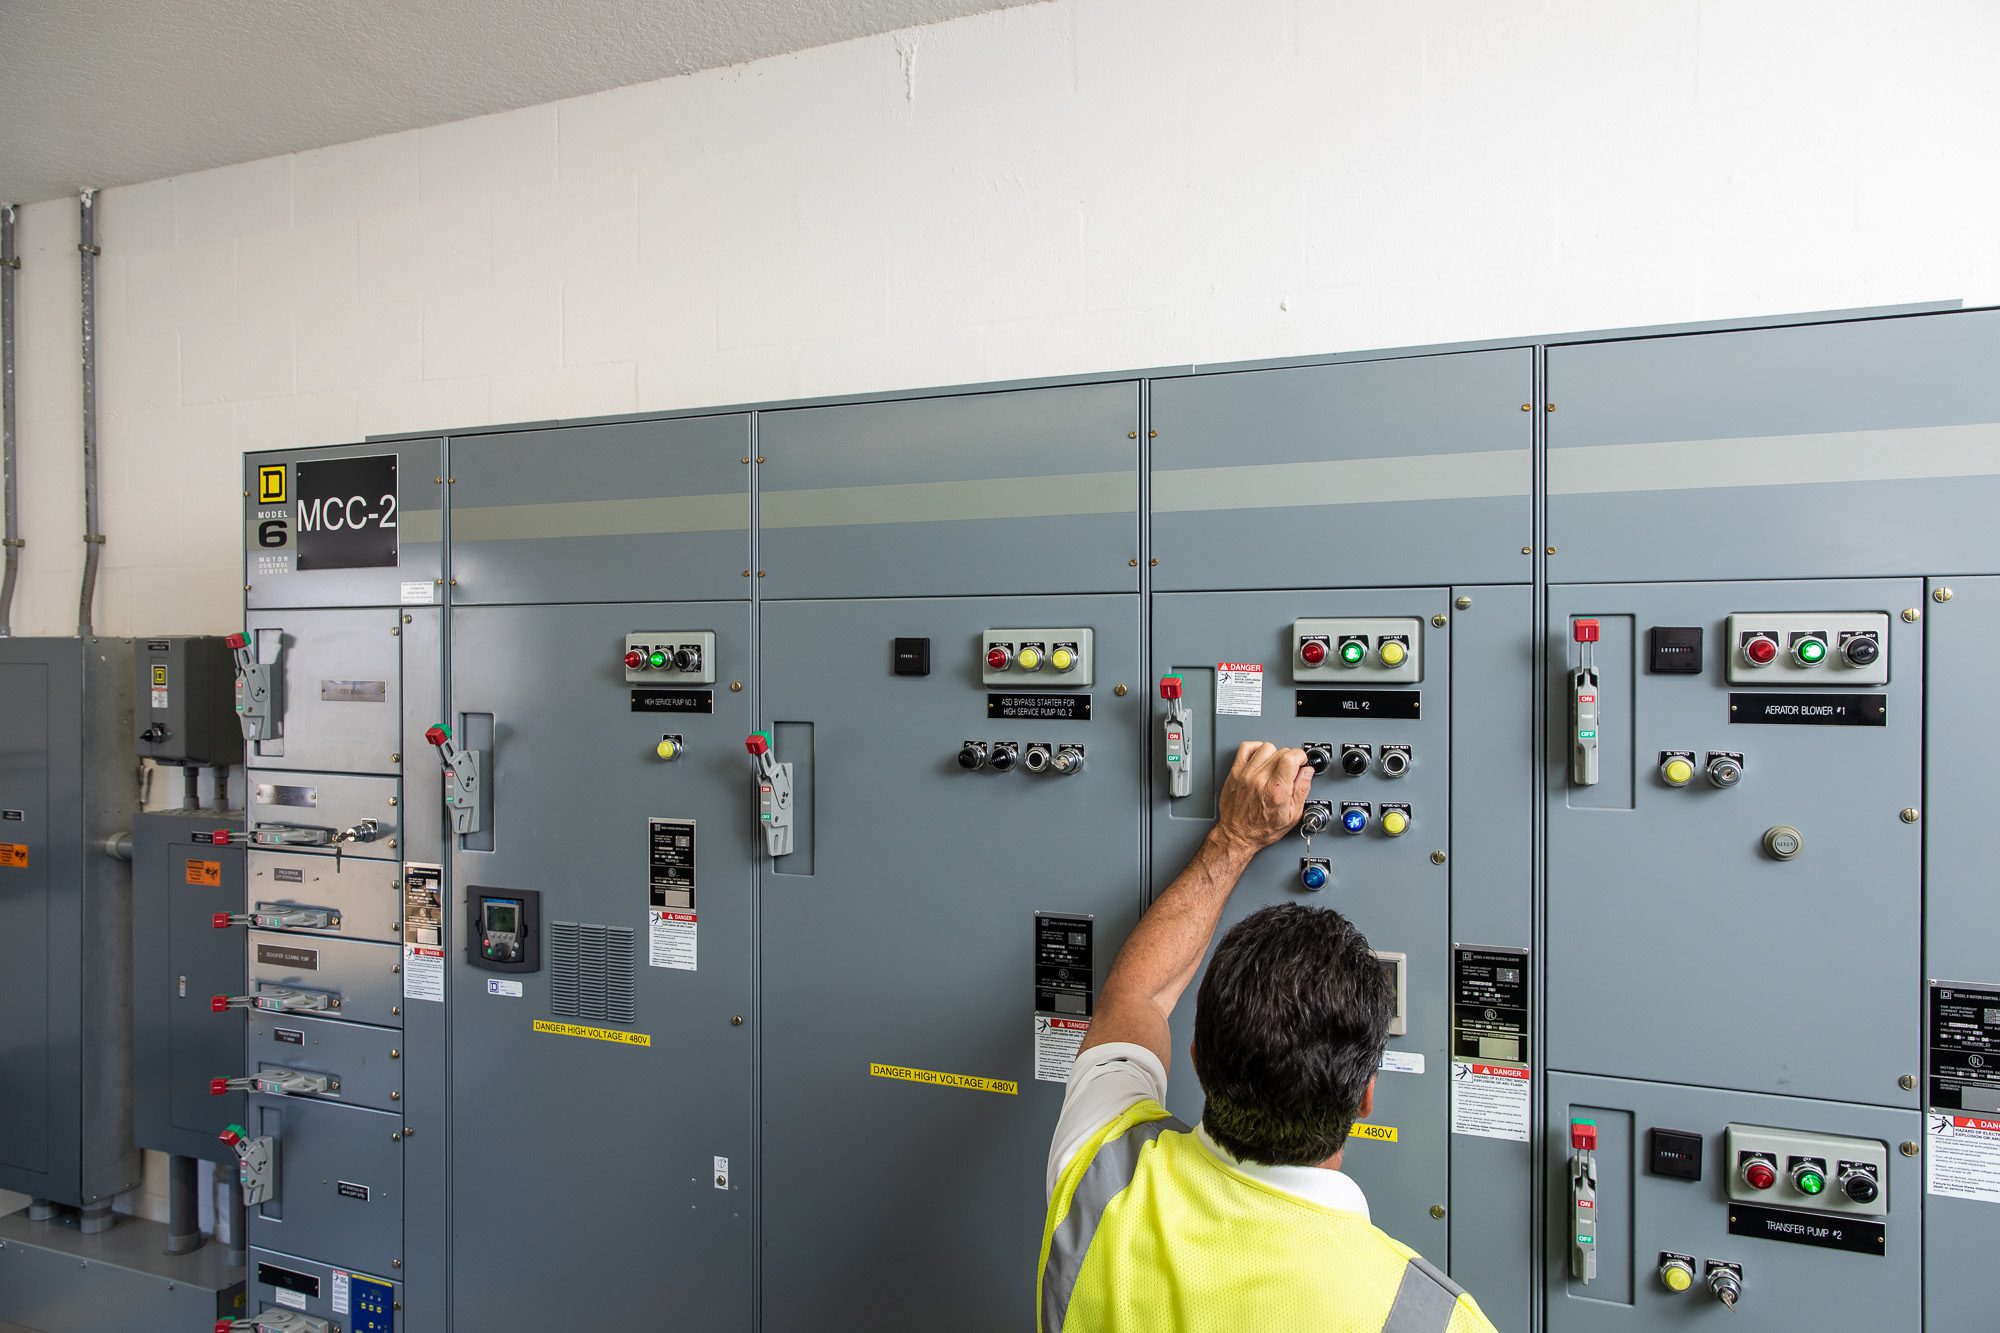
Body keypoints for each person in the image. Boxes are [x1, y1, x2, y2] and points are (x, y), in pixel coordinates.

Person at [1038, 741, 1497, 1332]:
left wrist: (1236, 838)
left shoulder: (1100, 1182)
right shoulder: (1435, 1319)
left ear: (1200, 1062)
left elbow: (1138, 997)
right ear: (1365, 1096)